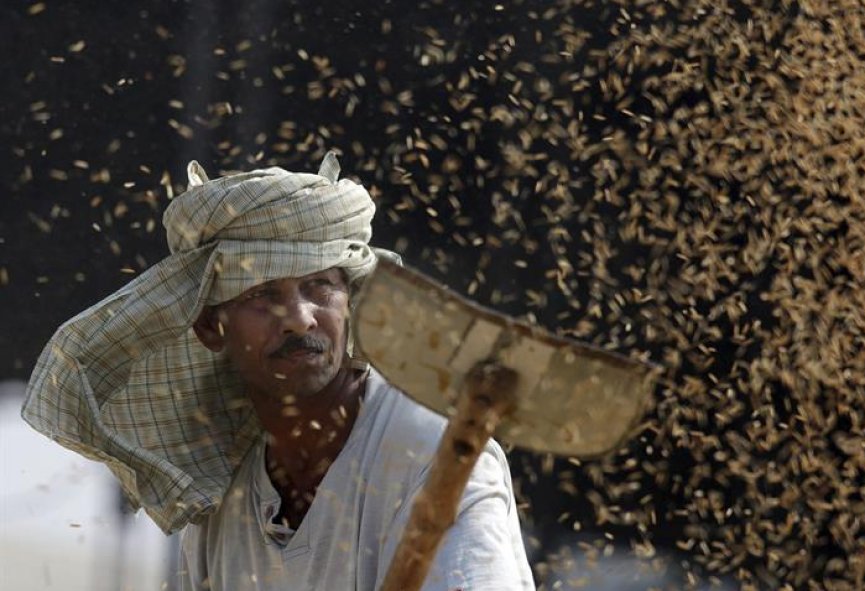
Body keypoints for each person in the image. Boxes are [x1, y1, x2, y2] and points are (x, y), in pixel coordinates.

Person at [22, 153, 536, 590]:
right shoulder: (226, 499)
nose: (299, 317)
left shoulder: (432, 456)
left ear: (351, 303)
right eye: (263, 295)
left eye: (319, 287)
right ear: (209, 327)